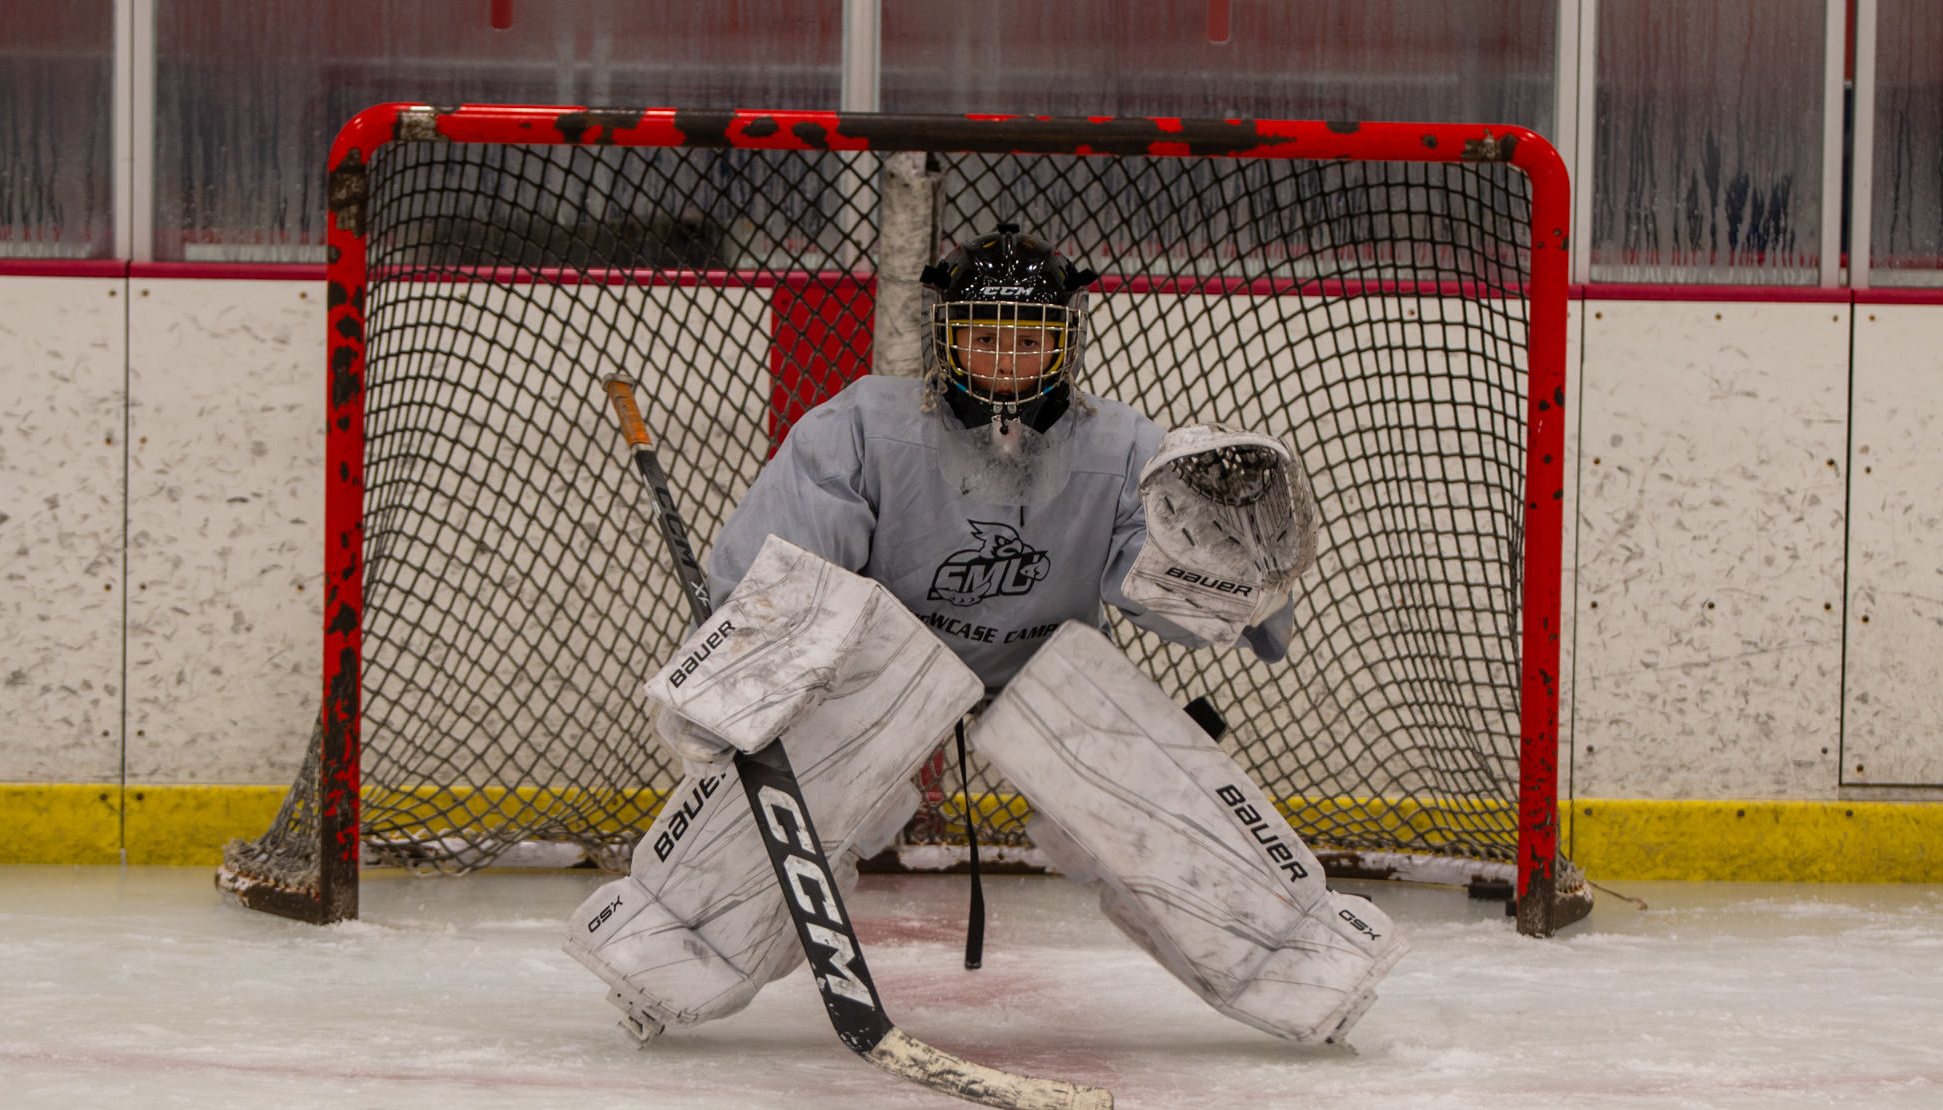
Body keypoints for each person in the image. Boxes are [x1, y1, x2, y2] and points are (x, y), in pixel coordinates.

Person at [565, 225, 1406, 1051]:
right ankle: (667, 941)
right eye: (984, 336)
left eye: (1029, 340)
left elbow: (1172, 601)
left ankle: (1299, 958)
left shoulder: (1125, 450)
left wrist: (1239, 576)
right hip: (882, 677)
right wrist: (740, 674)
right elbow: (781, 576)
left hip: (1042, 677)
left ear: (1065, 343)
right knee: (816, 751)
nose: (1006, 359)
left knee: (1127, 754)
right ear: (945, 338)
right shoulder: (862, 428)